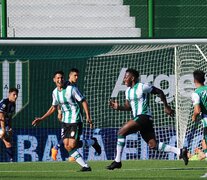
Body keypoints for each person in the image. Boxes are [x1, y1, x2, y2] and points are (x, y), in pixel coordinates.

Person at [106, 68, 188, 170]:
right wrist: (119, 107)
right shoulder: (127, 91)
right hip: (142, 119)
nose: (124, 79)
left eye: (126, 77)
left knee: (121, 132)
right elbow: (128, 107)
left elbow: (159, 91)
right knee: (153, 145)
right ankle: (180, 151)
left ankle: (117, 161)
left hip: (143, 116)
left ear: (132, 78)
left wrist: (166, 106)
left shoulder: (142, 86)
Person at [32, 71, 92, 171]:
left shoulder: (71, 89)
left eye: (62, 78)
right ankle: (86, 163)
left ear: (64, 79)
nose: (60, 80)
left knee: (72, 145)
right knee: (67, 146)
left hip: (75, 119)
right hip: (65, 121)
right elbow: (53, 107)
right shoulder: (55, 92)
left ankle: (86, 165)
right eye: (58, 78)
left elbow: (83, 101)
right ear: (54, 80)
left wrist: (88, 117)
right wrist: (42, 118)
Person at [51, 68, 101, 161]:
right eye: (75, 75)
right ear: (69, 76)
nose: (77, 77)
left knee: (71, 141)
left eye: (78, 75)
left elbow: (81, 101)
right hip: (66, 117)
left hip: (74, 117)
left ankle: (57, 148)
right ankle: (57, 148)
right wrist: (59, 111)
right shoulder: (66, 85)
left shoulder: (73, 87)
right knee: (67, 139)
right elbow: (59, 98)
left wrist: (87, 116)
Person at [191, 70, 207, 178]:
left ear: (194, 80)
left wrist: (193, 117)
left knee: (205, 144)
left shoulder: (196, 93)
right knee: (204, 142)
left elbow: (197, 110)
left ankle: (203, 155)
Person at [0, 87, 18, 162]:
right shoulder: (4, 103)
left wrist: (10, 128)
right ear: (9, 94)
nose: (16, 96)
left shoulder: (13, 105)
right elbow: (1, 116)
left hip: (3, 125)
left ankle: (11, 161)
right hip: (1, 123)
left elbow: (10, 117)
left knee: (8, 142)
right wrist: (4, 129)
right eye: (14, 95)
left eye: (17, 95)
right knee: (7, 141)